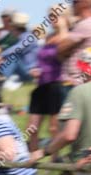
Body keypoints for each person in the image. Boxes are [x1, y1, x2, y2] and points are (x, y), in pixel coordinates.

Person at [33, 48, 91, 164]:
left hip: (85, 165)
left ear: (82, 68)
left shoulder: (78, 92)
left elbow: (69, 135)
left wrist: (44, 152)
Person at [27, 7, 67, 150]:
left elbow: (64, 49)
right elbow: (41, 59)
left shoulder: (65, 37)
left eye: (55, 16)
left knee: (53, 128)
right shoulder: (49, 37)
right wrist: (35, 70)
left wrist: (62, 26)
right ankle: (31, 163)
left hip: (55, 84)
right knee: (32, 127)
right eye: (50, 17)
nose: (52, 20)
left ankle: (54, 161)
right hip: (41, 84)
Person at [55, 0, 91, 92]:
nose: (72, 5)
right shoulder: (84, 23)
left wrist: (63, 27)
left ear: (85, 3)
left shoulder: (86, 25)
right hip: (74, 81)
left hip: (74, 82)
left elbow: (60, 49)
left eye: (75, 2)